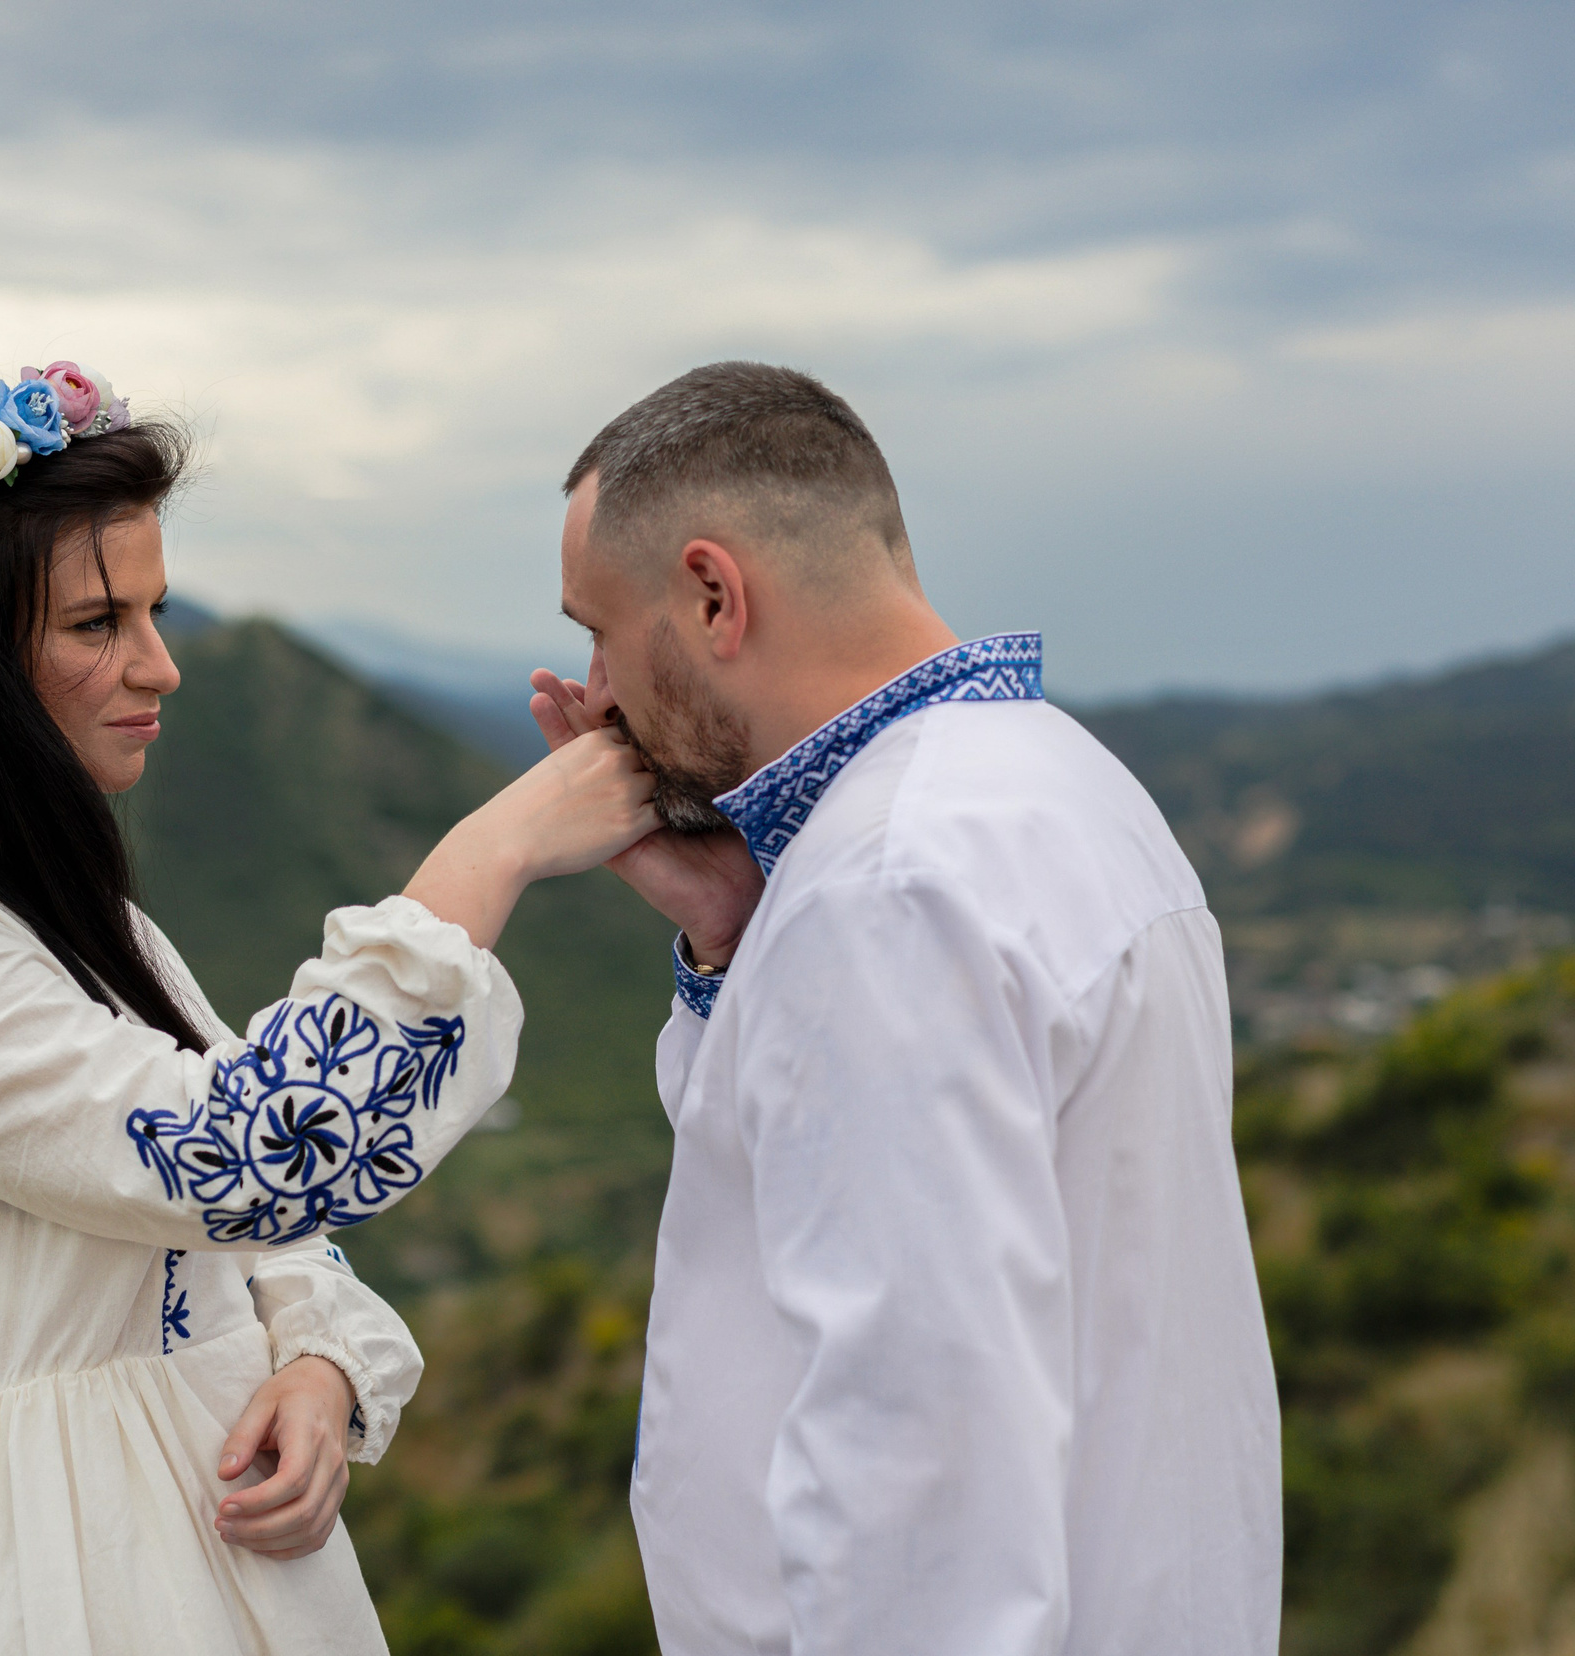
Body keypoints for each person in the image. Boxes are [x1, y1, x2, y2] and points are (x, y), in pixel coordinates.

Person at [0, 366, 655, 1655]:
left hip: (214, 1544)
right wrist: (490, 853)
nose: (160, 665)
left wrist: (321, 1356)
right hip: (48, 1573)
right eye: (96, 624)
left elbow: (258, 1226)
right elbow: (250, 1154)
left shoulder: (89, 925)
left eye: (154, 610)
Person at [529, 362, 1282, 1654]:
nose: (593, 685)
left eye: (599, 625)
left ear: (713, 593)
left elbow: (918, 1437)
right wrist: (731, 938)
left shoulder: (886, 888)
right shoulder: (1059, 784)